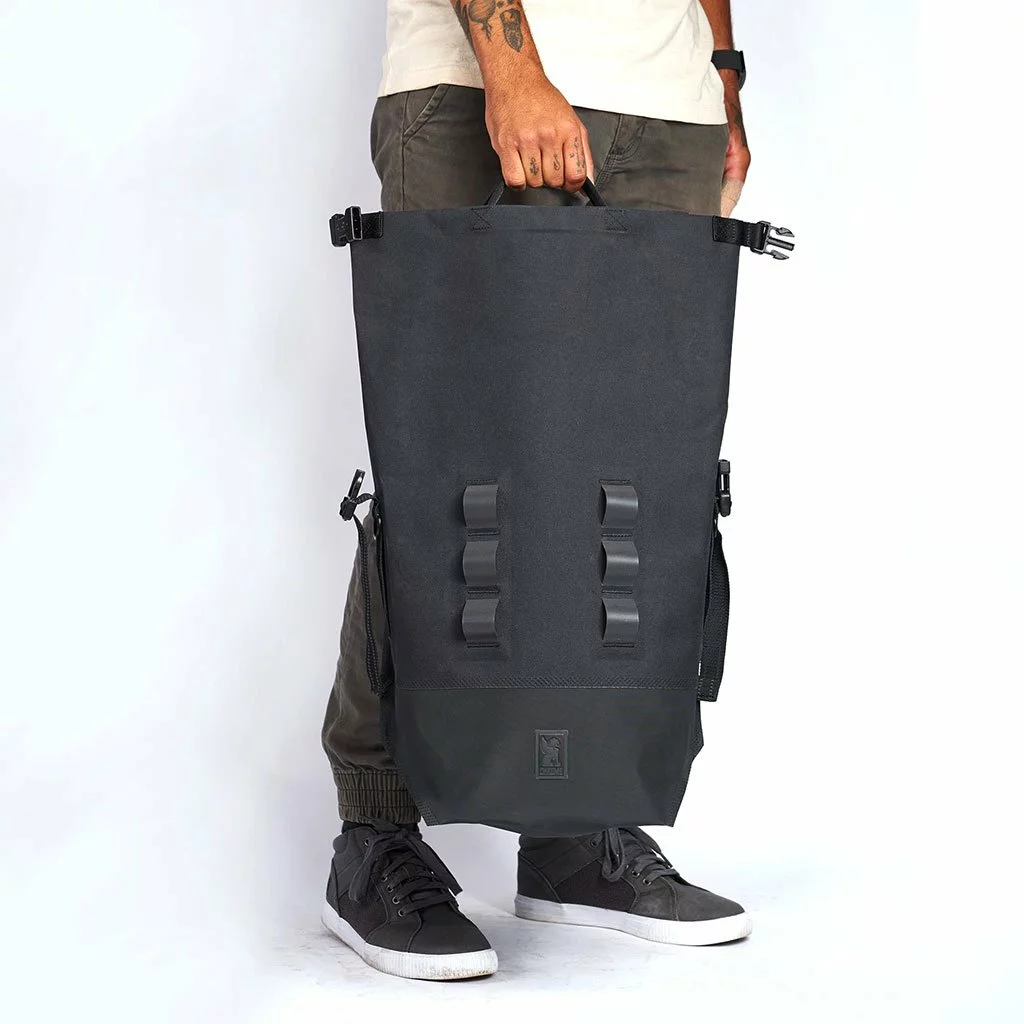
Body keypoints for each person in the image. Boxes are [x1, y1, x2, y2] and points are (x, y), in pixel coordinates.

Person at [321, 0, 753, 981]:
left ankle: (575, 833)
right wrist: (511, 69)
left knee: (634, 471)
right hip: (479, 82)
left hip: (670, 101)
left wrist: (722, 80)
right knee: (448, 470)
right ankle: (375, 838)